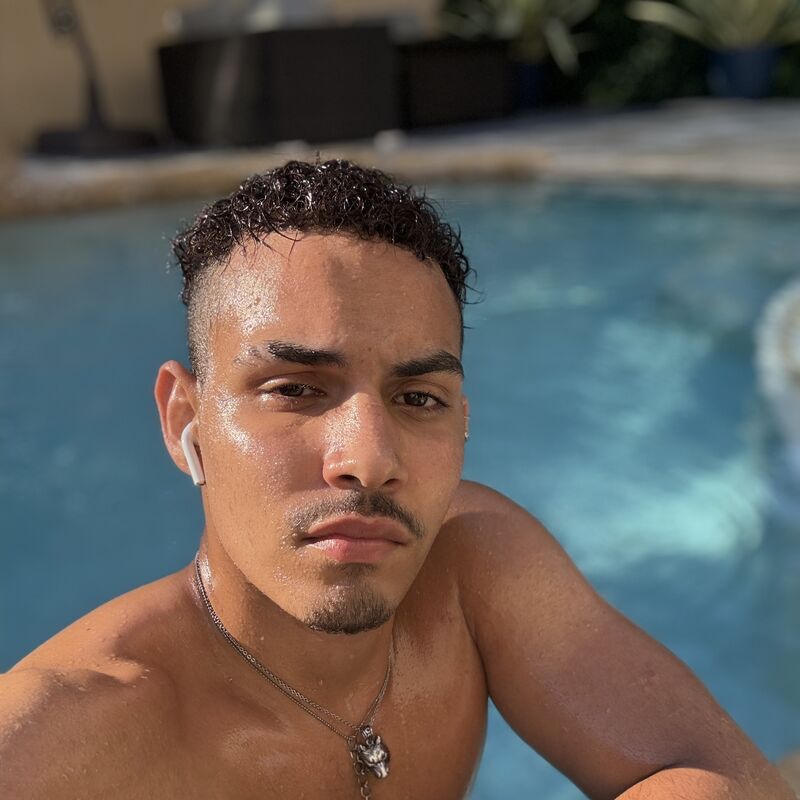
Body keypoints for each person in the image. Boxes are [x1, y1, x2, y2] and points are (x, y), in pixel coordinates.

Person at [0, 160, 794, 800]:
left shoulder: (471, 566)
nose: (369, 458)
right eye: (295, 389)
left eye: (418, 399)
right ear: (185, 421)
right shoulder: (63, 732)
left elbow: (722, 777)